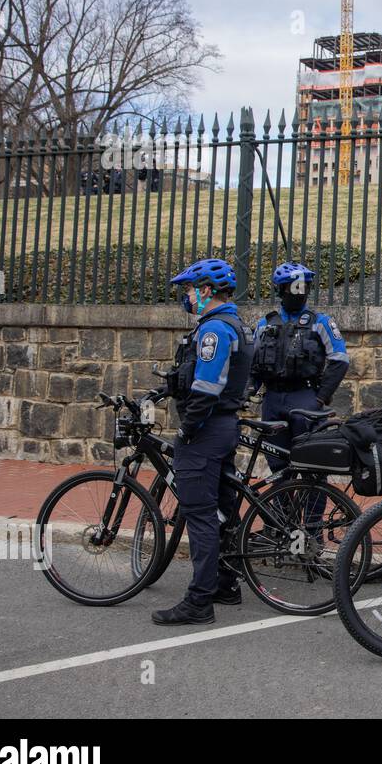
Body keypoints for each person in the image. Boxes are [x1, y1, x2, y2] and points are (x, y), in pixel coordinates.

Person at [153, 258, 254, 625]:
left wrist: (187, 430)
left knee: (200, 517)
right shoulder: (235, 325)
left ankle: (198, 602)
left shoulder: (213, 331)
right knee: (222, 510)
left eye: (189, 290)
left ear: (206, 290)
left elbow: (207, 387)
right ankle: (225, 584)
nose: (186, 297)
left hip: (207, 432)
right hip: (225, 428)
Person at [249, 262, 350, 470]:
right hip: (272, 401)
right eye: (291, 287)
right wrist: (247, 390)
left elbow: (340, 359)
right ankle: (280, 503)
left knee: (312, 466)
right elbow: (254, 364)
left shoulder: (321, 322)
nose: (297, 291)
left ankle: (312, 504)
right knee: (277, 465)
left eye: (302, 286)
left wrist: (321, 398)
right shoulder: (264, 325)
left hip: (305, 399)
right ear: (280, 289)